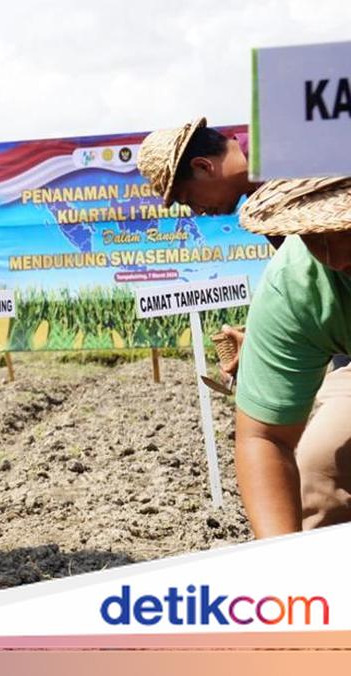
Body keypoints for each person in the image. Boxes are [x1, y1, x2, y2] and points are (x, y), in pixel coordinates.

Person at [138, 118, 351, 538]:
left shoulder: (289, 155)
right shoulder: (299, 270)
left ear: (202, 167)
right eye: (310, 235)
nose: (198, 213)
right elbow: (264, 437)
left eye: (187, 200)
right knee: (319, 469)